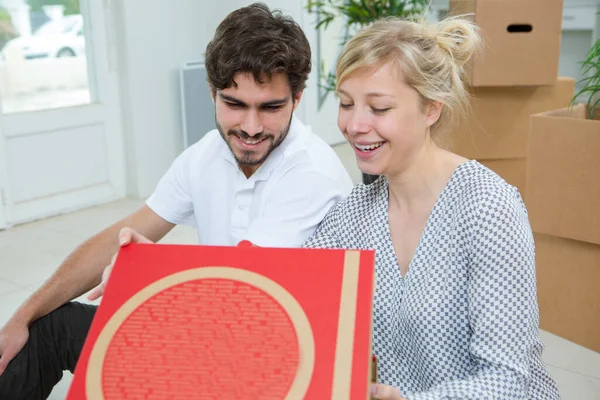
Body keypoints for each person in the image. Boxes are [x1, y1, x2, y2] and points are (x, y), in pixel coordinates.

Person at [0, 3, 353, 399]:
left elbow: (241, 289)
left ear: (297, 99)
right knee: (43, 326)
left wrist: (147, 275)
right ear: (211, 91)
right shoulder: (205, 155)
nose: (251, 128)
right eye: (234, 104)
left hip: (266, 364)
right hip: (204, 338)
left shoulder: (312, 173)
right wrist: (21, 316)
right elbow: (113, 239)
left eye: (270, 108)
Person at [303, 16, 561, 400]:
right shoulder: (353, 214)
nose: (354, 124)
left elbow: (507, 378)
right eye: (345, 103)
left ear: (431, 110)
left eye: (379, 108)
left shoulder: (487, 209)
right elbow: (299, 293)